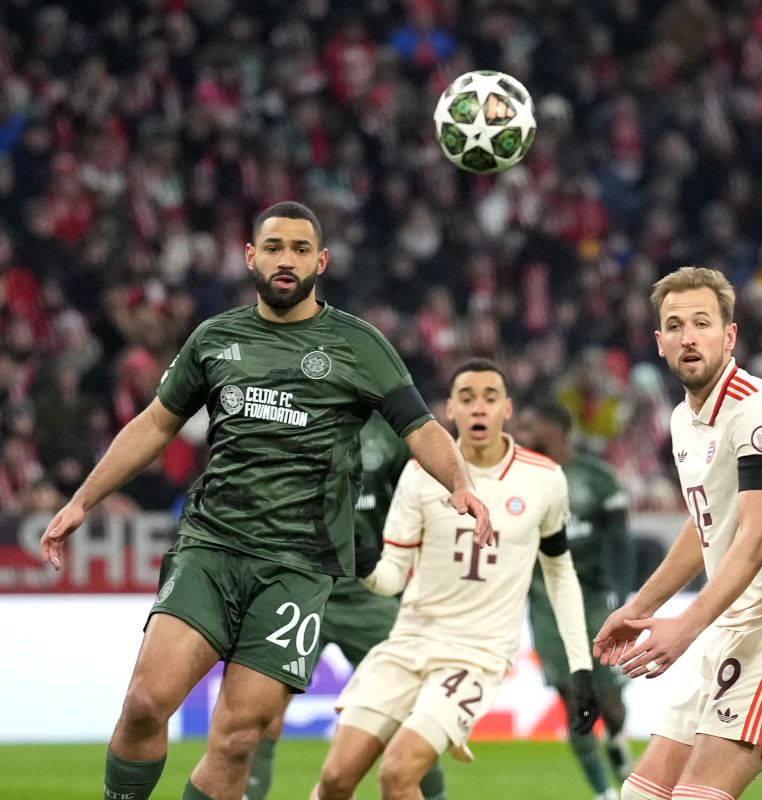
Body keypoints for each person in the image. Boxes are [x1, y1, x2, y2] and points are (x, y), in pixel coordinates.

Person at [39, 201, 491, 800]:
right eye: (274, 247)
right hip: (211, 546)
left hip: (298, 570)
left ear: (321, 261)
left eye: (301, 250)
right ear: (250, 256)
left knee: (236, 738)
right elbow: (154, 424)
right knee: (146, 703)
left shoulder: (358, 344)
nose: (287, 260)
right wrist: (82, 501)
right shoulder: (216, 338)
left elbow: (421, 427)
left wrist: (460, 482)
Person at [594, 266, 762, 800]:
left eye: (702, 323)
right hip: (733, 626)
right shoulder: (686, 419)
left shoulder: (757, 412)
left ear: (729, 335)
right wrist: (639, 607)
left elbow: (755, 538)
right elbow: (705, 521)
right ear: (659, 343)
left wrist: (683, 627)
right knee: (640, 795)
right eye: (676, 325)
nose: (689, 336)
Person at [312, 358, 599, 800]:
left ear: (507, 409)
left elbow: (559, 572)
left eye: (489, 398)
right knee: (334, 780)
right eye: (467, 399)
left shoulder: (544, 480)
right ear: (449, 410)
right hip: (408, 642)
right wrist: (362, 559)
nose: (478, 408)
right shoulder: (419, 474)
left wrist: (580, 667)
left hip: (476, 656)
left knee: (397, 774)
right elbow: (391, 577)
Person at [245, 412, 448, 800]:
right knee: (258, 715)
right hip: (297, 590)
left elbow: (420, 506)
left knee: (410, 717)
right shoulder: (290, 417)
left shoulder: (391, 435)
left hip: (369, 595)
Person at [516, 401, 635, 800]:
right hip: (547, 605)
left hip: (596, 602)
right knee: (574, 697)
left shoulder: (597, 478)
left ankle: (618, 748)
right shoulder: (518, 481)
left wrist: (623, 592)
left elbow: (620, 540)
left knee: (612, 708)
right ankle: (604, 793)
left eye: (529, 425)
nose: (521, 434)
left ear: (554, 428)